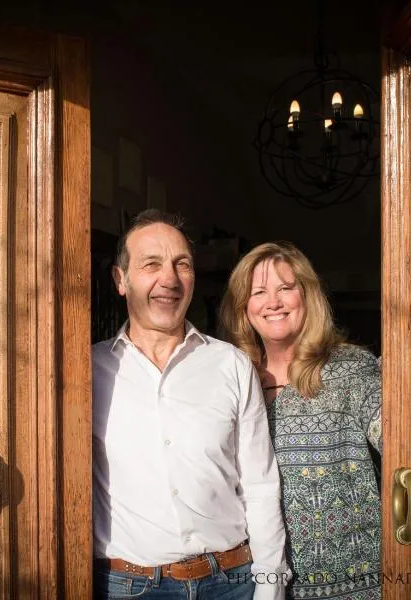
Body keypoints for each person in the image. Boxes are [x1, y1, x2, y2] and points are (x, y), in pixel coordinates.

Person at [92, 209, 289, 600]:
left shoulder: (231, 365)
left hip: (232, 583)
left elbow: (261, 487)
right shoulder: (87, 372)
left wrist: (271, 588)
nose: (170, 279)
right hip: (128, 588)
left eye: (182, 264)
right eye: (152, 264)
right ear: (120, 280)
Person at [220, 242, 381, 600]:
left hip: (354, 585)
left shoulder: (351, 368)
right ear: (243, 307)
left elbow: (402, 437)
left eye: (285, 288)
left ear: (307, 296)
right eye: (258, 292)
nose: (273, 302)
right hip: (260, 584)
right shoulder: (231, 380)